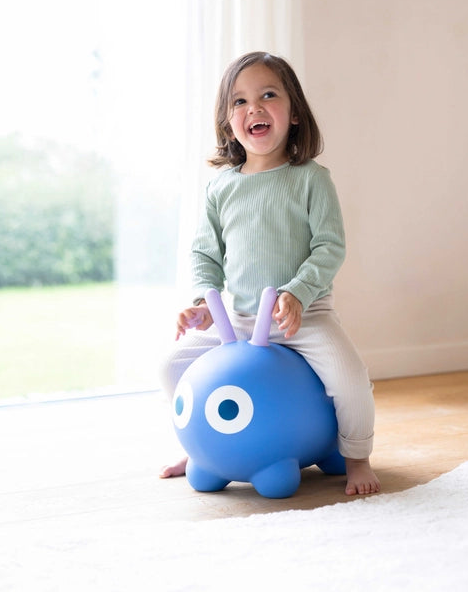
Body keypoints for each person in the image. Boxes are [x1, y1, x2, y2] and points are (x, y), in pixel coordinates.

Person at [159, 51, 380, 496]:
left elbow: (329, 246)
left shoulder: (311, 178)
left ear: (294, 113)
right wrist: (204, 304)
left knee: (350, 379)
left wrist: (297, 293)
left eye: (268, 96)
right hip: (237, 321)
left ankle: (357, 456)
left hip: (304, 316)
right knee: (172, 366)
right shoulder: (221, 186)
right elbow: (204, 253)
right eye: (239, 101)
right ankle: (203, 444)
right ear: (228, 124)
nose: (254, 108)